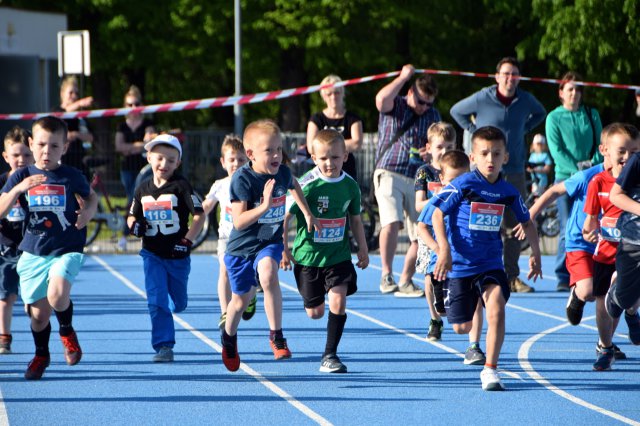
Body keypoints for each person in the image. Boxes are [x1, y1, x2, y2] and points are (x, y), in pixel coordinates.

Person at [432, 126, 542, 391]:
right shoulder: (463, 185)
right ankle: (458, 297)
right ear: (473, 158)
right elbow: (437, 214)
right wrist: (444, 249)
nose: (490, 159)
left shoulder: (509, 191)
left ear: (506, 157)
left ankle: (490, 369)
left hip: (492, 263)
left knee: (496, 309)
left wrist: (536, 253)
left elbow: (527, 222)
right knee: (461, 326)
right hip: (460, 264)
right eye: (484, 153)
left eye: (496, 153)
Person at [0, 116, 98, 380]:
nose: (47, 151)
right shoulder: (21, 175)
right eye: (41, 144)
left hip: (67, 248)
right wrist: (19, 188)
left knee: (57, 295)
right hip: (33, 252)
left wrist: (88, 212)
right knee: (39, 316)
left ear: (64, 148)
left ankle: (67, 331)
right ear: (31, 144)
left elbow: (92, 197)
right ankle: (41, 354)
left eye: (54, 146)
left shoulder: (72, 176)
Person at [220, 119, 319, 372]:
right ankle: (229, 338)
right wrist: (264, 206)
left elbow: (294, 184)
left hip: (269, 242)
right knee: (239, 303)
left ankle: (276, 335)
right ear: (250, 154)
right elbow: (240, 222)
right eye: (269, 151)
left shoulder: (283, 172)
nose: (276, 155)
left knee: (269, 275)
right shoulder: (243, 180)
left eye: (278, 149)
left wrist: (306, 213)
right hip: (242, 249)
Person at [450, 57, 546, 293]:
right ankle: (475, 271)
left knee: (516, 225)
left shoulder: (525, 99)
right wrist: (474, 131)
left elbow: (541, 113)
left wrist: (525, 128)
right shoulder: (483, 97)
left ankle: (511, 275)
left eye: (514, 74)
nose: (510, 78)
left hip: (514, 171)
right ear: (497, 76)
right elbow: (456, 111)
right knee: (480, 222)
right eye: (505, 73)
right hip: (483, 174)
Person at [281, 129, 369, 373]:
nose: (329, 163)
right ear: (313, 157)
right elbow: (285, 218)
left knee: (338, 300)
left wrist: (362, 248)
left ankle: (330, 355)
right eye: (323, 158)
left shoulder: (350, 187)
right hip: (308, 257)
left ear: (345, 156)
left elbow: (356, 220)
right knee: (315, 312)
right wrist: (284, 250)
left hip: (338, 256)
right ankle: (313, 298)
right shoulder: (306, 185)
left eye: (335, 157)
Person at [127, 134, 205, 363]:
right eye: (159, 158)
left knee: (178, 302)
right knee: (155, 299)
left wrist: (187, 240)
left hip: (177, 256)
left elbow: (199, 216)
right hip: (152, 254)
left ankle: (173, 304)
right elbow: (131, 216)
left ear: (178, 163)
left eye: (171, 160)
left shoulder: (181, 186)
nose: (164, 164)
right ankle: (164, 346)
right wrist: (135, 226)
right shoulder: (142, 190)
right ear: (149, 157)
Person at [374, 64, 441, 297]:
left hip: (416, 176)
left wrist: (429, 153)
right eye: (421, 102)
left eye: (429, 104)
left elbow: (439, 142)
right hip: (389, 170)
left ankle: (405, 280)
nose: (424, 108)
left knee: (421, 231)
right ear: (411, 93)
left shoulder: (432, 115)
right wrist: (403, 77)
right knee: (391, 222)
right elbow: (381, 99)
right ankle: (386, 274)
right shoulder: (397, 104)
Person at [582, 123, 639, 370]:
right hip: (606, 251)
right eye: (622, 151)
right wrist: (589, 231)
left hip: (630, 246)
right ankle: (605, 346)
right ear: (607, 151)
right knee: (603, 301)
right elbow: (590, 221)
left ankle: (631, 313)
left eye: (634, 151)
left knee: (628, 294)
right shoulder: (599, 182)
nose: (627, 157)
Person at [545, 72, 604, 292]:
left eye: (578, 89)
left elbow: (602, 145)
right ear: (561, 92)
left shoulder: (592, 114)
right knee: (566, 224)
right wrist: (577, 172)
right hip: (566, 178)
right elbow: (556, 151)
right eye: (569, 89)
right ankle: (563, 274)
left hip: (593, 177)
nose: (574, 93)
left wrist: (594, 168)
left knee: (592, 223)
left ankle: (592, 267)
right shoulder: (554, 117)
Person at [202, 135, 256, 330]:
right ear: (223, 162)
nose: (236, 164)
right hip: (227, 238)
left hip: (249, 238)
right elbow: (206, 206)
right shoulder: (220, 185)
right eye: (232, 159)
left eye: (241, 160)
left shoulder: (252, 183)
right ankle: (225, 312)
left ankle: (251, 295)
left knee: (252, 274)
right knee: (224, 270)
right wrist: (195, 210)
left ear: (249, 160)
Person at [414, 123, 456, 338]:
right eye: (440, 147)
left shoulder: (459, 171)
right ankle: (435, 318)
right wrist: (438, 200)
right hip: (429, 231)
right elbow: (418, 204)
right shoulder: (424, 172)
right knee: (431, 276)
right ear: (429, 147)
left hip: (453, 230)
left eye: (449, 146)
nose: (445, 152)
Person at [604, 128, 640, 348]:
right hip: (633, 241)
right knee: (625, 299)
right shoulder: (637, 161)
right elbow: (615, 196)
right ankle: (618, 297)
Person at [0, 127, 34, 354]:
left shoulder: (40, 182)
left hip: (32, 247)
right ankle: (4, 337)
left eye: (26, 155)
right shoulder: (2, 182)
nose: (21, 160)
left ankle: (39, 338)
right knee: (5, 296)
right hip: (6, 247)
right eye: (16, 155)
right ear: (6, 157)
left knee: (34, 299)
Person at [115, 85, 156, 251]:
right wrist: (139, 145)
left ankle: (132, 234)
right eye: (129, 104)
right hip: (127, 168)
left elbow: (149, 143)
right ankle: (127, 234)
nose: (133, 107)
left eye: (136, 104)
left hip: (144, 168)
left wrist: (130, 147)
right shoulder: (122, 126)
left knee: (140, 200)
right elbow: (119, 147)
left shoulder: (148, 123)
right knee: (132, 199)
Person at [306, 74, 363, 180]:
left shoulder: (353, 118)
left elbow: (357, 143)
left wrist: (324, 146)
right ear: (323, 96)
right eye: (329, 94)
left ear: (343, 93)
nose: (333, 97)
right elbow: (311, 147)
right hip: (321, 175)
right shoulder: (316, 119)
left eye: (337, 92)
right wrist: (340, 146)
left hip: (346, 173)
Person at [54, 76, 94, 179]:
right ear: (62, 94)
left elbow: (90, 137)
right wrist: (80, 103)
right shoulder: (57, 111)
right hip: (62, 159)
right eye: (70, 92)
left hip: (79, 159)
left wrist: (76, 134)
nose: (74, 96)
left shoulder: (80, 116)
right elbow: (64, 112)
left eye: (76, 93)